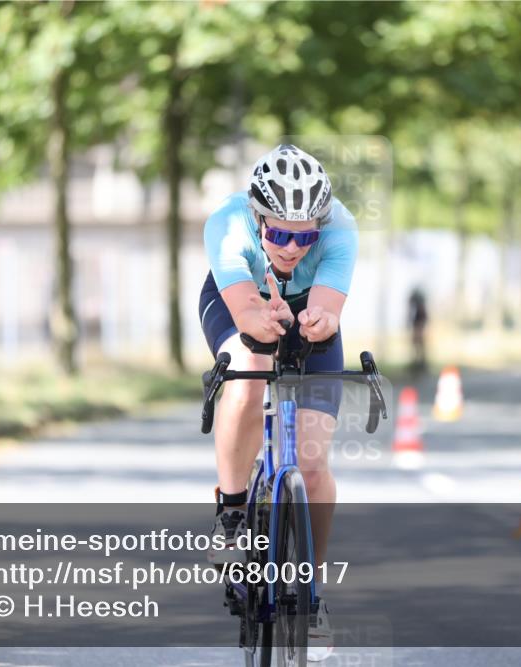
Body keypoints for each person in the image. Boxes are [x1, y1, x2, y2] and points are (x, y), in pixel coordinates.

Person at [199, 144, 357, 654]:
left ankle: (310, 596)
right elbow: (248, 316)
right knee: (251, 367)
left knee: (312, 463)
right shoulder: (227, 224)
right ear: (258, 216)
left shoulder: (341, 230)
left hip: (306, 310)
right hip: (238, 299)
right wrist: (264, 323)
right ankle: (232, 509)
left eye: (305, 236)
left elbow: (328, 312)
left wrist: (317, 323)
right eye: (280, 233)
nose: (292, 247)